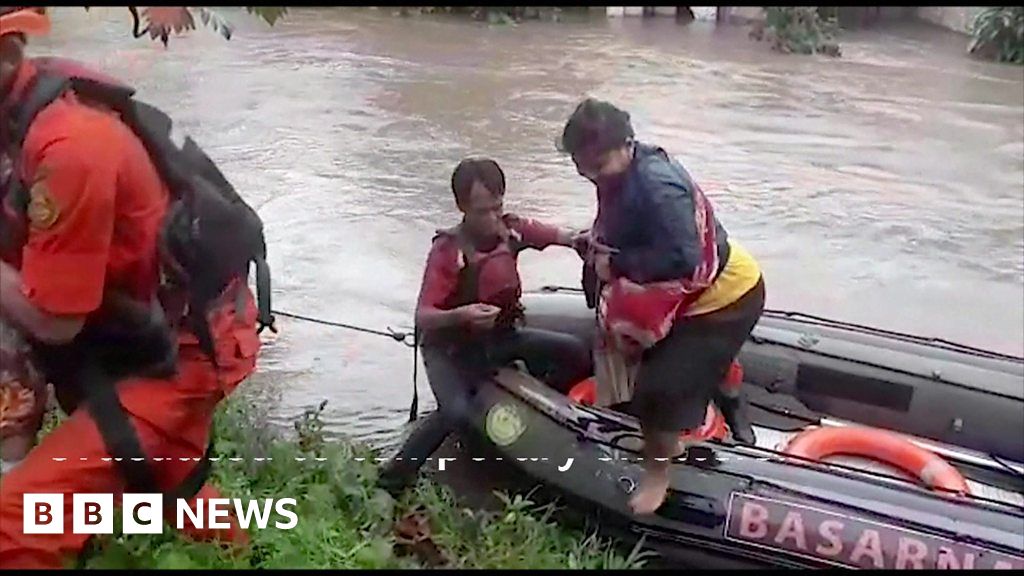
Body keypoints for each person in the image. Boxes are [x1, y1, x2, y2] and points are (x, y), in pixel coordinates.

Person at [0, 7, 269, 568]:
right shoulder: (24, 105)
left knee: (15, 522)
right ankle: (250, 557)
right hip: (148, 323)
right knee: (166, 474)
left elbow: (54, 320)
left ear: (8, 53)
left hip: (189, 348)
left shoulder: (70, 144)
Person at [558, 98, 764, 515]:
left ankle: (658, 476)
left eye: (597, 165)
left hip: (725, 294)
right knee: (637, 342)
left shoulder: (658, 184)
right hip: (688, 291)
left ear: (627, 144)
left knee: (657, 389)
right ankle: (724, 389)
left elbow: (683, 258)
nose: (591, 175)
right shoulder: (616, 175)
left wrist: (616, 263)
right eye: (583, 167)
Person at [378, 157, 591, 493]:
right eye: (482, 212)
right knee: (455, 413)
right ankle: (392, 479)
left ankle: (525, 403)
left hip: (501, 337)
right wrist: (462, 314)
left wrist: (578, 240)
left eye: (497, 206)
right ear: (462, 207)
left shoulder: (513, 229)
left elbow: (557, 235)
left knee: (576, 351)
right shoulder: (448, 251)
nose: (493, 218)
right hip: (450, 349)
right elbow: (424, 315)